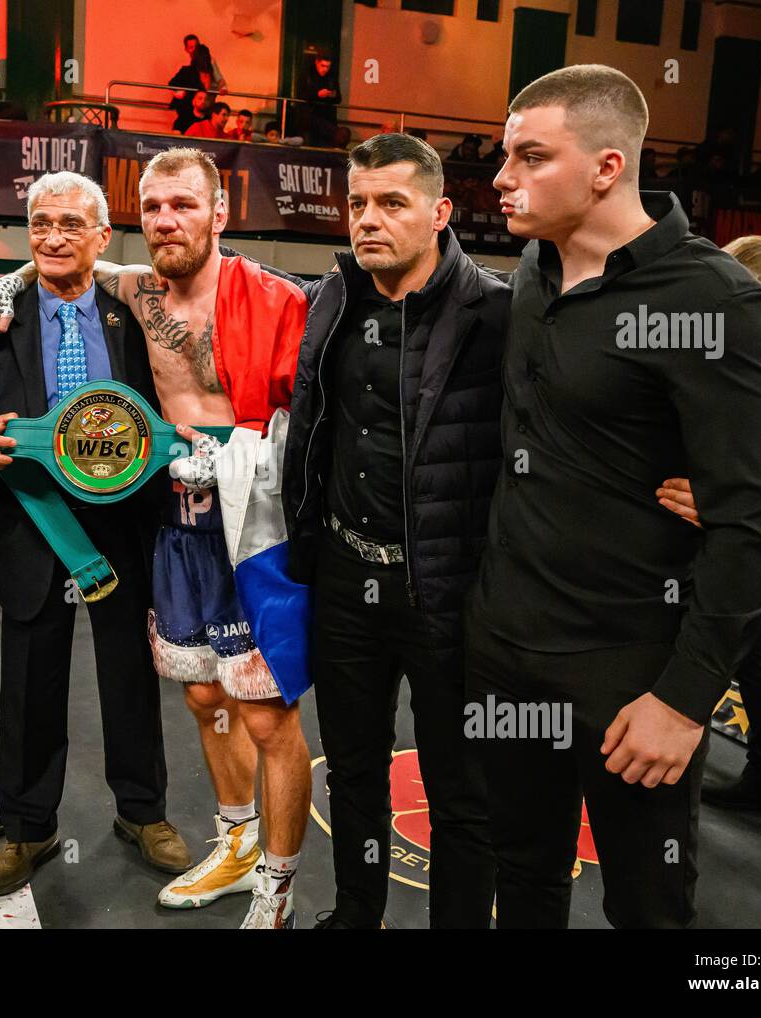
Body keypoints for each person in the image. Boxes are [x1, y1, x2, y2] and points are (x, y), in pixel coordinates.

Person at [467, 64, 761, 929]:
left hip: (632, 672)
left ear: (607, 167)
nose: (503, 178)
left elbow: (759, 523)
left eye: (531, 157)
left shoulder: (719, 303)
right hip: (507, 648)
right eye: (507, 156)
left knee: (648, 909)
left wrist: (687, 700)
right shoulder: (534, 275)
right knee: (524, 876)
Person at [0, 148, 312, 929]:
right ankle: (224, 844)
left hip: (240, 521)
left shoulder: (271, 298)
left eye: (184, 204)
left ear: (220, 212)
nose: (167, 221)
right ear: (136, 219)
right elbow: (57, 257)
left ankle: (264, 880)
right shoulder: (130, 286)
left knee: (263, 710)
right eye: (154, 207)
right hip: (162, 524)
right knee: (199, 693)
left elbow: (314, 420)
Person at [0, 171, 191, 894]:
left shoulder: (136, 309)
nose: (52, 237)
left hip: (124, 525)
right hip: (31, 526)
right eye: (39, 223)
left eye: (70, 225)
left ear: (102, 237)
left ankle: (143, 814)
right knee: (27, 688)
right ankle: (28, 830)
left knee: (131, 681)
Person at [280, 133, 507, 929]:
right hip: (345, 578)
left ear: (441, 212)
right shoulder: (332, 298)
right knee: (353, 770)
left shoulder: (500, 314)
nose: (367, 220)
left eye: (391, 204)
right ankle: (355, 913)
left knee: (460, 788)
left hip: (450, 591)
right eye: (357, 204)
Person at [666, 235, 761, 820]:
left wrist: (725, 496)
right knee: (756, 649)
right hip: (759, 517)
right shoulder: (760, 330)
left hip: (755, 522)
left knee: (752, 648)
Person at [299, 52, 340, 148]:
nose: (325, 69)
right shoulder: (307, 74)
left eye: (328, 66)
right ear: (317, 62)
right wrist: (317, 94)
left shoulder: (331, 77)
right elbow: (300, 94)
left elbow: (338, 98)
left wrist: (332, 95)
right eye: (323, 66)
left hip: (326, 117)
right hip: (310, 117)